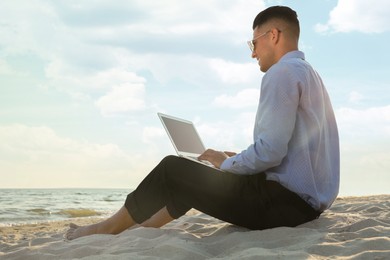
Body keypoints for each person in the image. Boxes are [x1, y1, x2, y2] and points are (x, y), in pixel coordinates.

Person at [66, 5, 339, 240]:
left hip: (283, 207)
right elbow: (291, 151)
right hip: (304, 207)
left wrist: (226, 162)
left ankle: (107, 227)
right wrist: (235, 160)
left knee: (171, 168)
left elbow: (271, 151)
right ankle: (144, 228)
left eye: (253, 43)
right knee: (196, 178)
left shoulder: (281, 73)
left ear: (274, 35)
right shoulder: (309, 74)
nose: (253, 53)